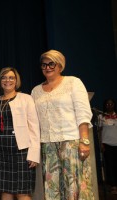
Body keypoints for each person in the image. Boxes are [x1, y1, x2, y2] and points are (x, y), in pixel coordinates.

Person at [31, 49, 94, 199]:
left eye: (51, 64)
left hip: (71, 141)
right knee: (52, 187)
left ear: (60, 65)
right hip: (48, 144)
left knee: (74, 185)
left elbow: (83, 113)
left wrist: (84, 141)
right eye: (44, 65)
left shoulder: (73, 82)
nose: (47, 68)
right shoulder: (36, 91)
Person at [0, 67, 40, 200]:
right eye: (4, 77)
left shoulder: (26, 98)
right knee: (5, 192)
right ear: (0, 80)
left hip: (20, 151)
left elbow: (34, 127)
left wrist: (34, 153)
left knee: (22, 193)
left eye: (11, 77)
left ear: (16, 80)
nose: (8, 80)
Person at [98, 98, 117, 195]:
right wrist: (101, 143)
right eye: (107, 104)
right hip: (107, 145)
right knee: (110, 166)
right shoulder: (101, 116)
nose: (109, 105)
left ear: (114, 105)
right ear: (105, 106)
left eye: (111, 104)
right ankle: (113, 186)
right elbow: (99, 131)